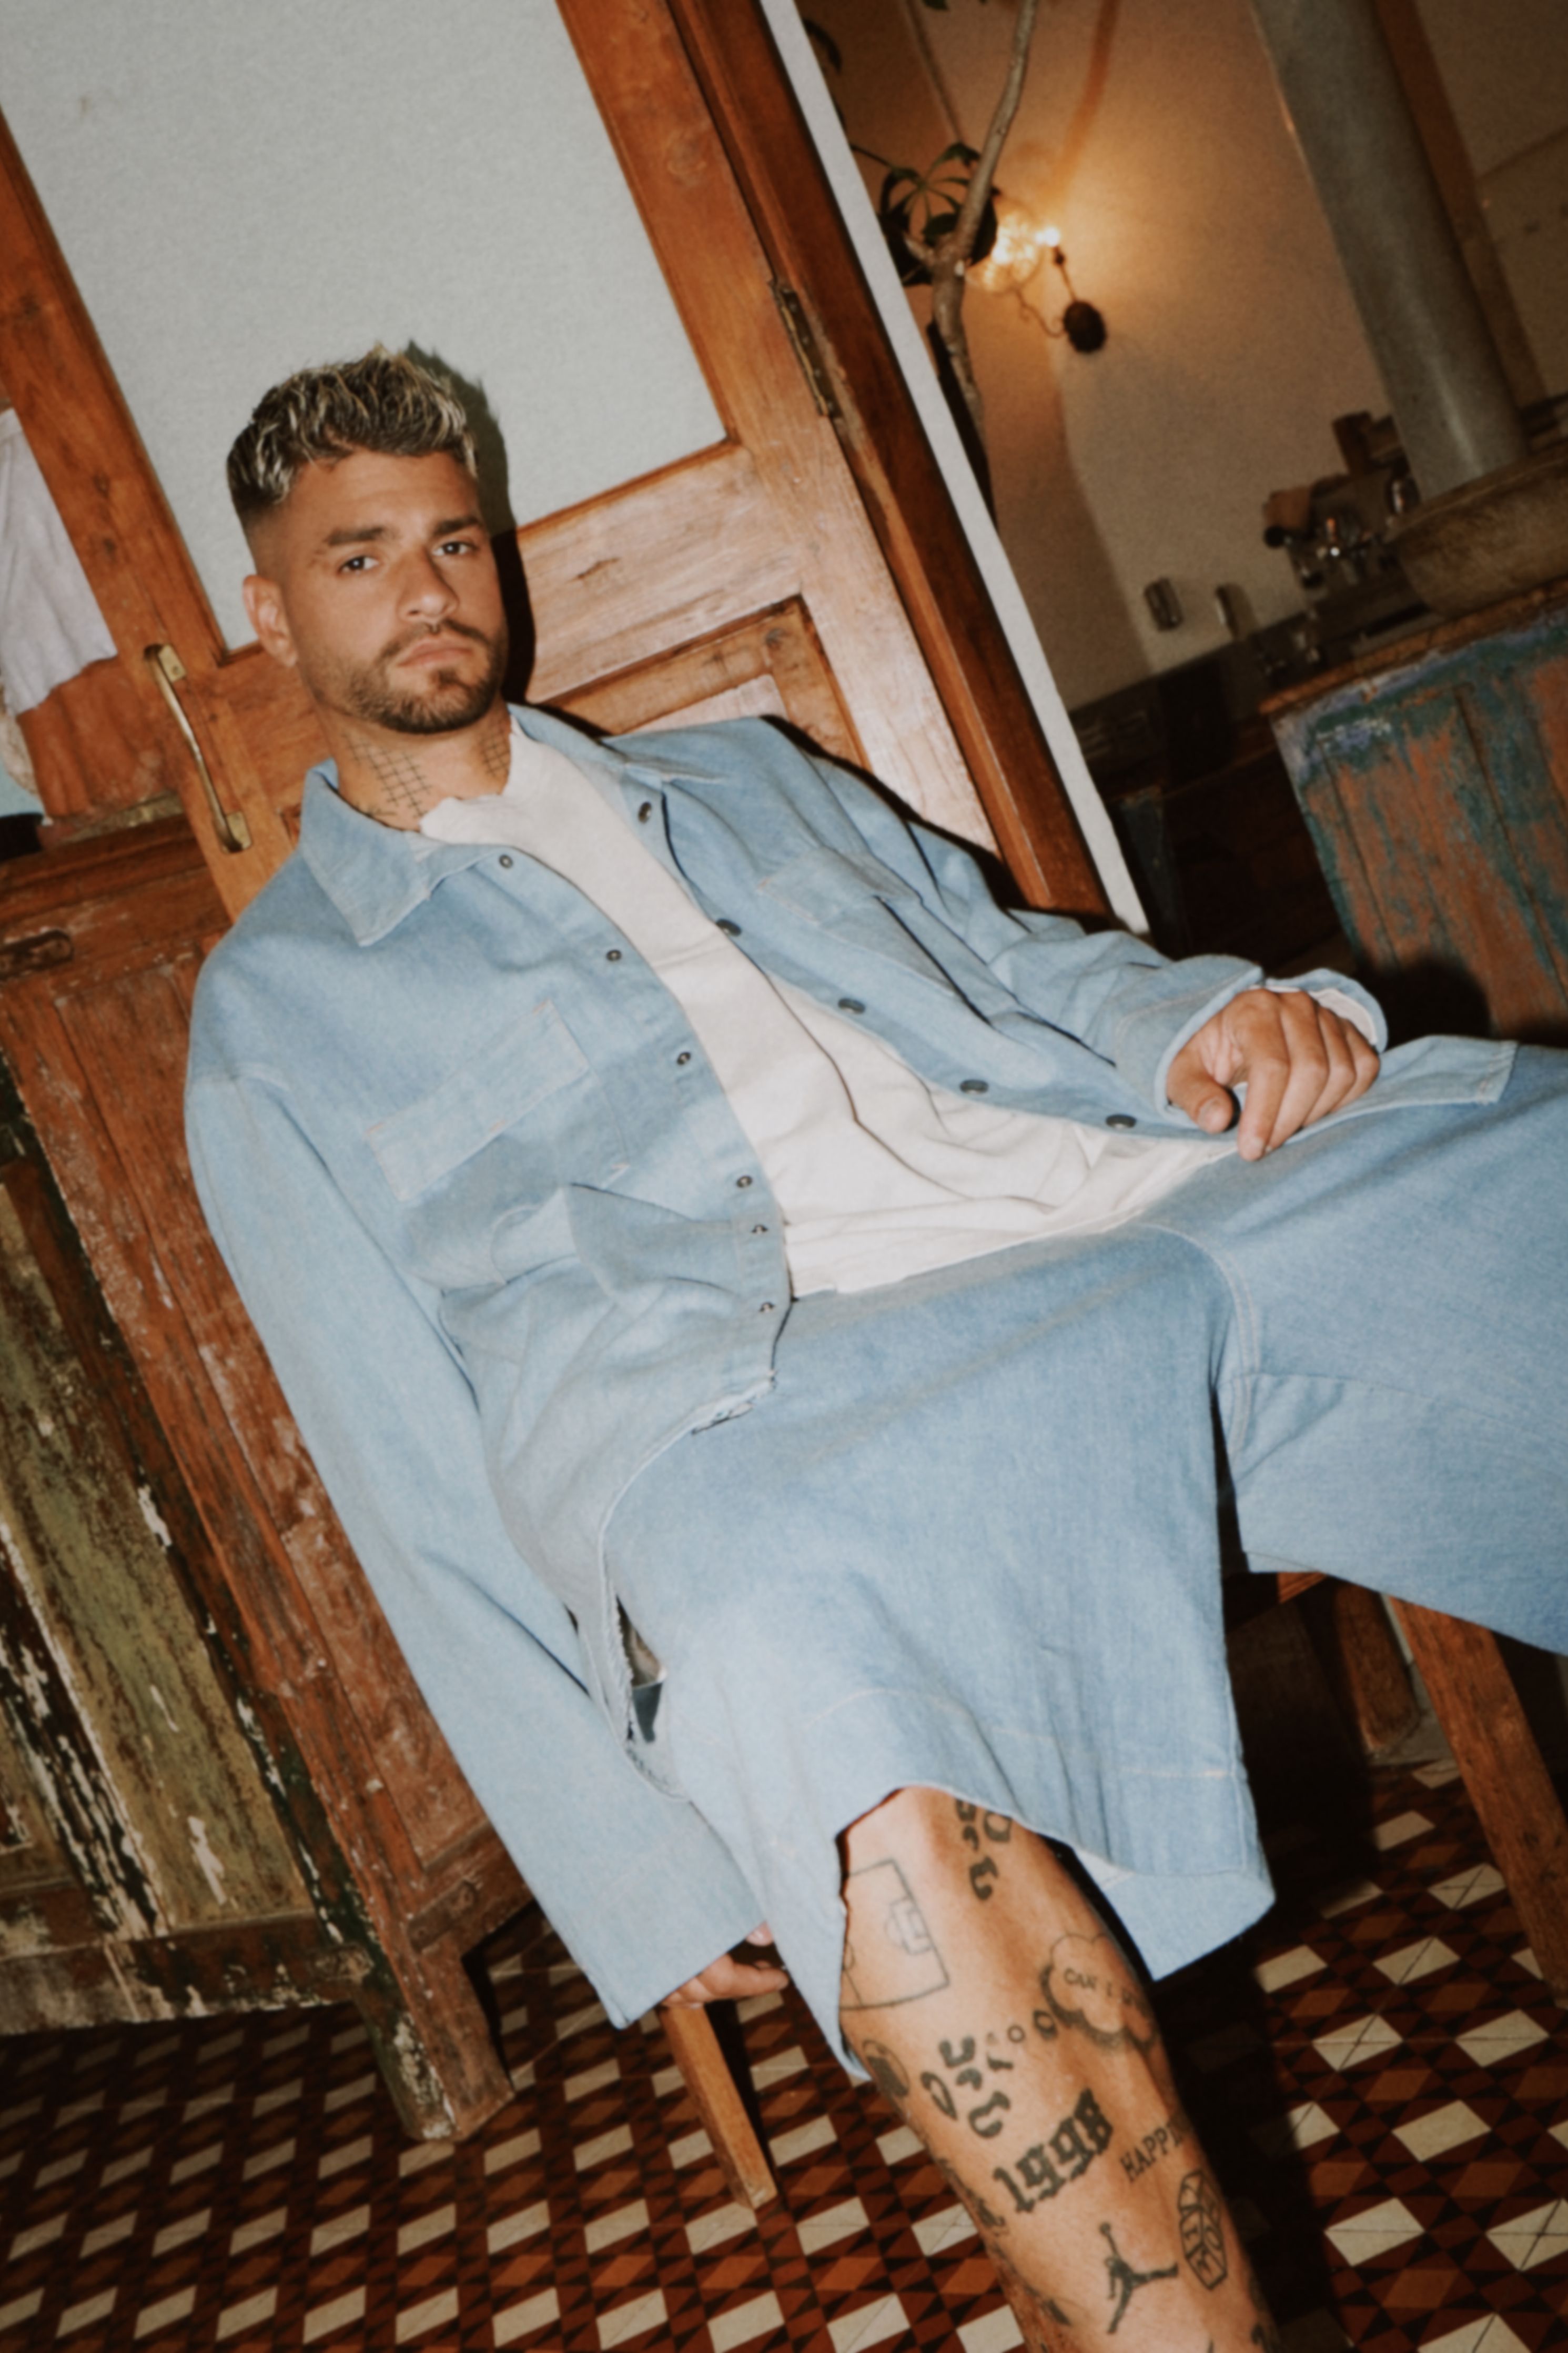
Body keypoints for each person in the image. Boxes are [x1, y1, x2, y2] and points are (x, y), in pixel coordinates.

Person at [186, 349, 1567, 2352]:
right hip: (770, 1401)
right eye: (360, 556)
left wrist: (1197, 1018)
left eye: (457, 541)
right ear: (271, 610)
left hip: (1085, 1220)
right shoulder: (275, 1013)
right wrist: (634, 1871)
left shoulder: (743, 778)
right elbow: (397, 1469)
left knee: (1518, 1154)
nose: (428, 590)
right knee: (798, 1663)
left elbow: (1016, 962)